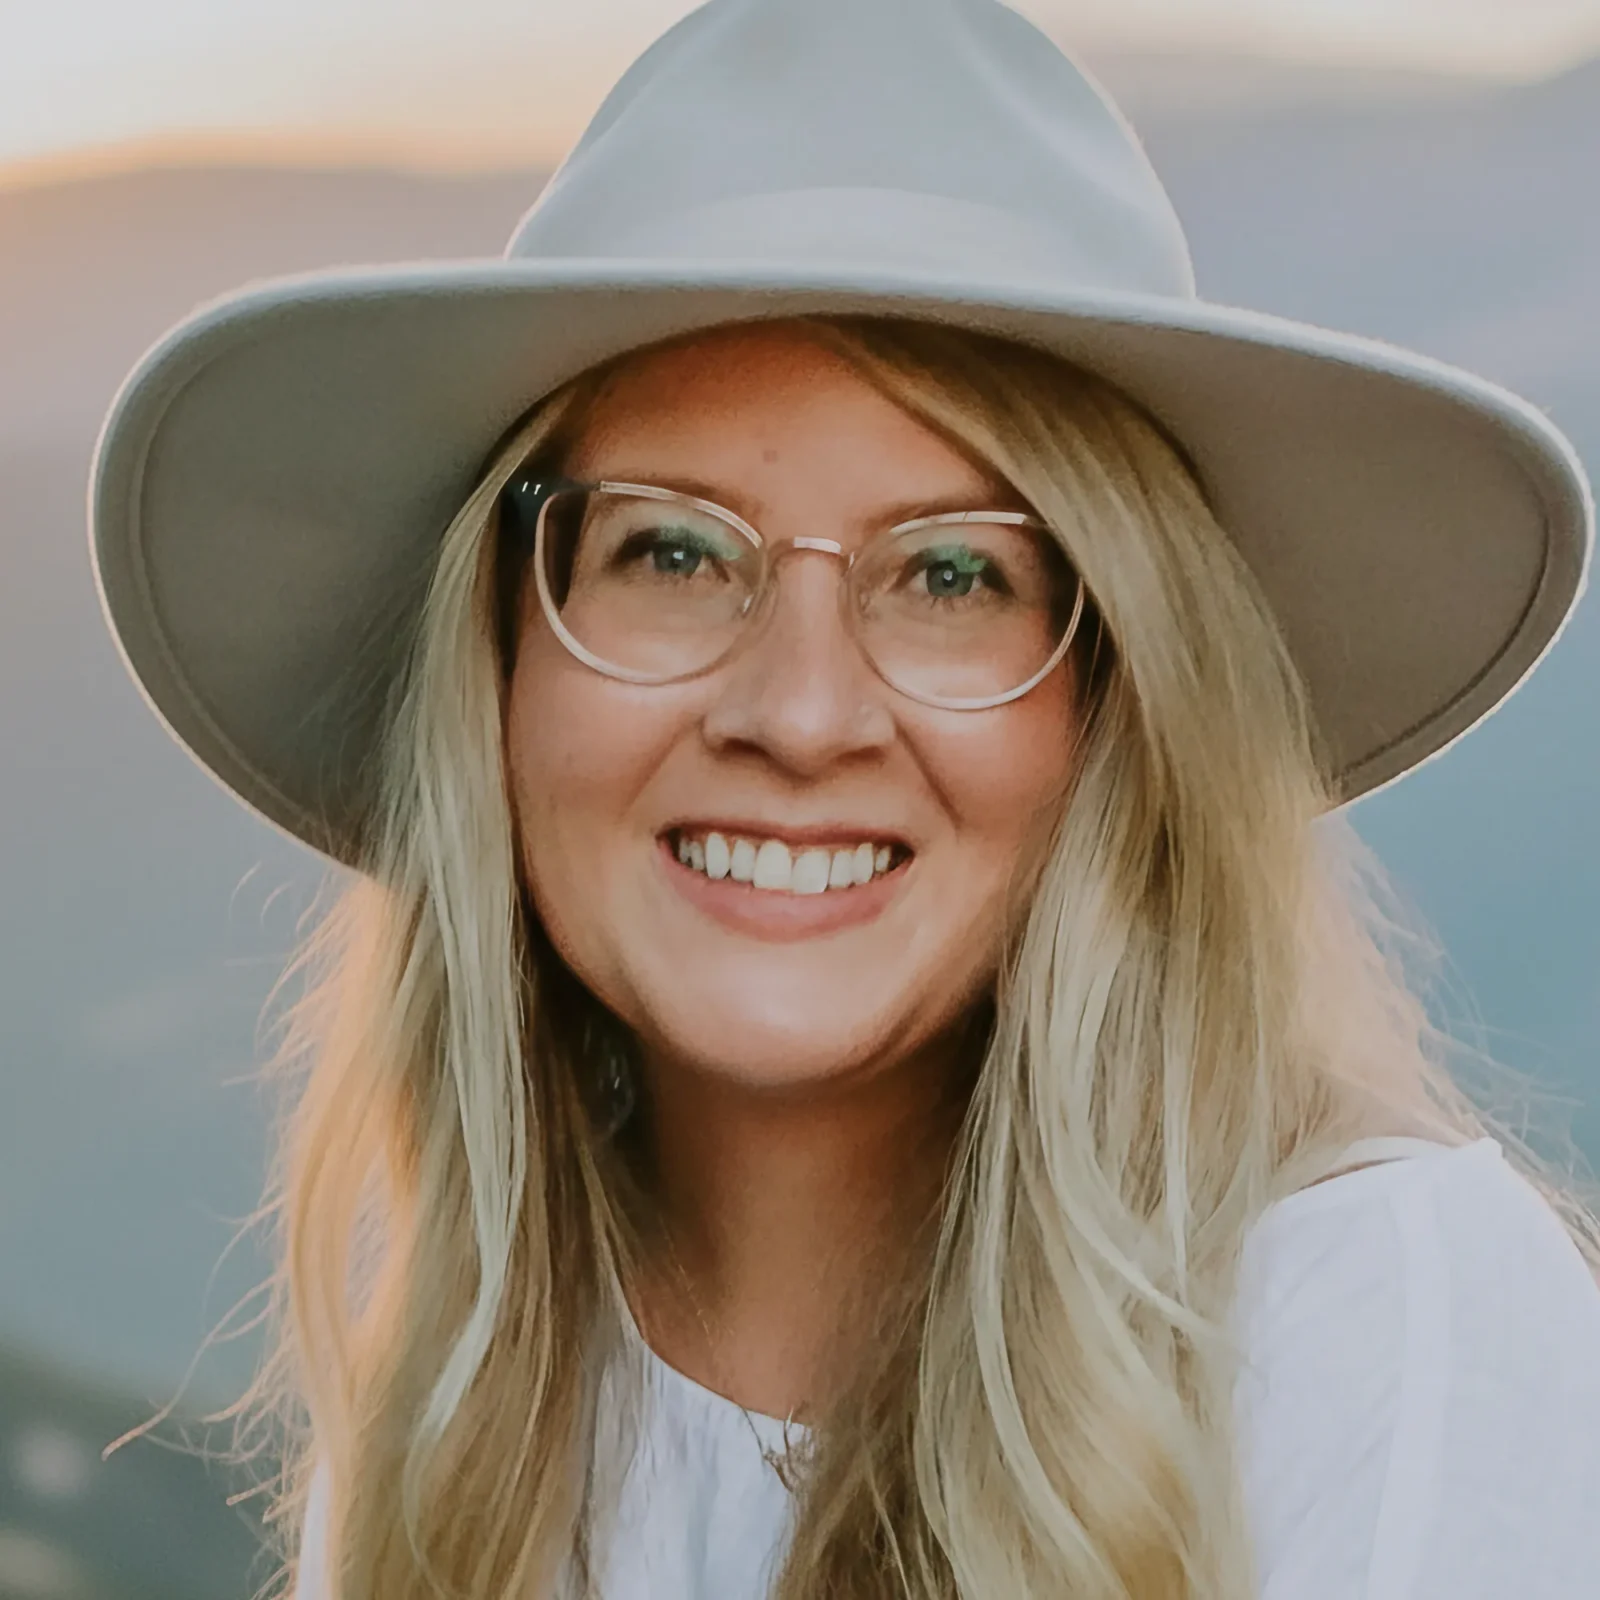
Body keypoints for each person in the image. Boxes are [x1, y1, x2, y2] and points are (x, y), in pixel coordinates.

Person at [89, 1, 1600, 1597]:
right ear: (500, 669)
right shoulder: (458, 1429)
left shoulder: (1374, 1328)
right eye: (670, 552)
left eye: (954, 573)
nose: (799, 711)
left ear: (1120, 710)